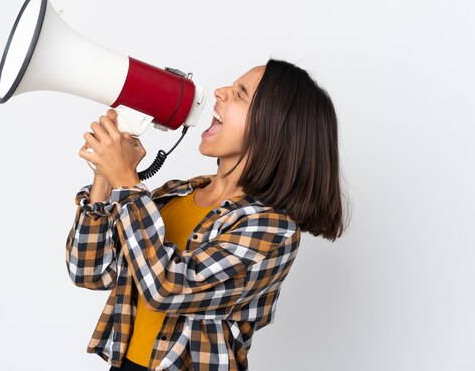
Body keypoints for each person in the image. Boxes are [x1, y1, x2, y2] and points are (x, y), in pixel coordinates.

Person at [65, 59, 345, 371]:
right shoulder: (177, 194)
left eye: (240, 94)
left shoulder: (272, 229)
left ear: (274, 127)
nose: (221, 92)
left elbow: (166, 288)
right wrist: (105, 176)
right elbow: (90, 271)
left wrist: (126, 181)